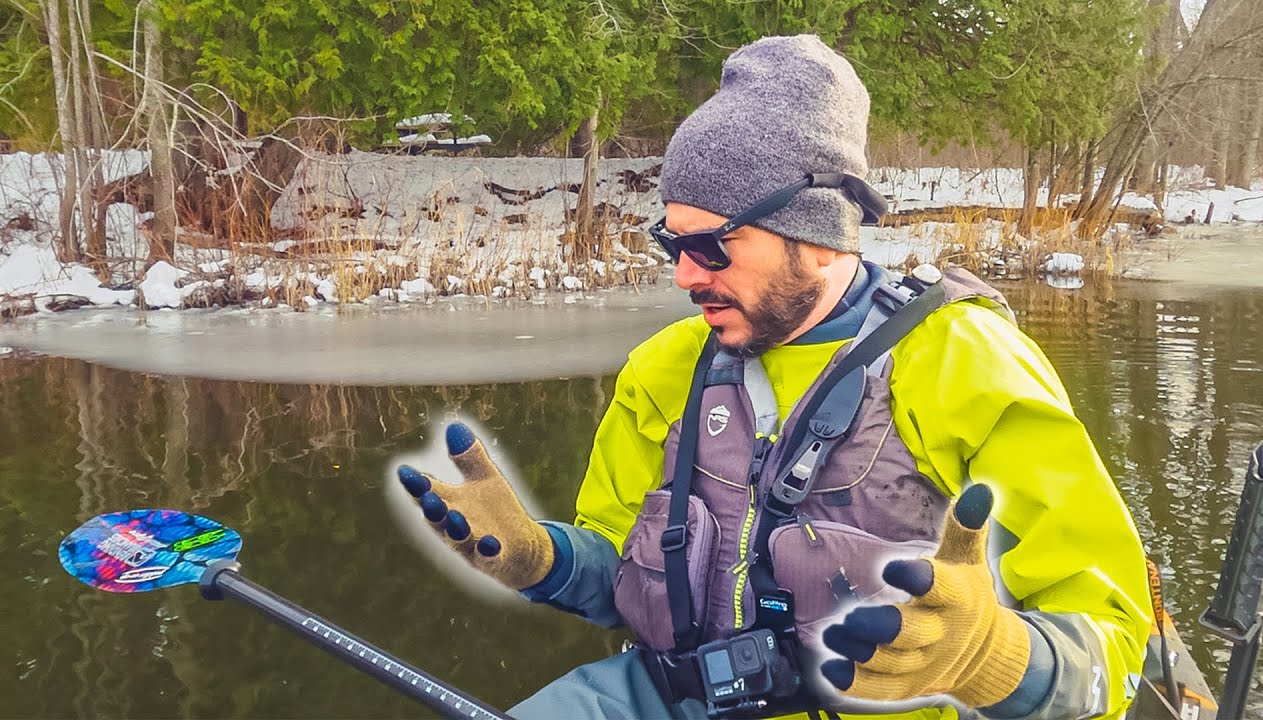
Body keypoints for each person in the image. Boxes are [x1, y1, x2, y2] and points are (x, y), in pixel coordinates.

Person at [396, 34, 1152, 720]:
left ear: (819, 237)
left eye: (714, 246)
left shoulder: (965, 362)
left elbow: (1114, 649)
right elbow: (625, 574)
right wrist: (545, 560)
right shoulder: (664, 369)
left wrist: (995, 659)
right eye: (673, 243)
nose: (685, 275)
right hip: (664, 698)